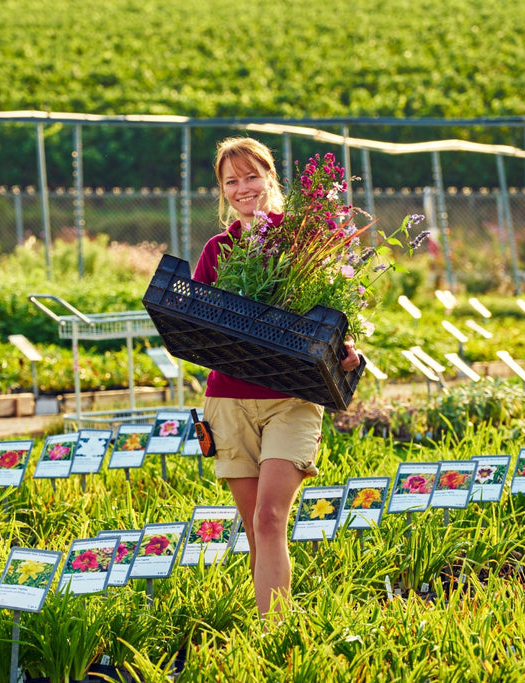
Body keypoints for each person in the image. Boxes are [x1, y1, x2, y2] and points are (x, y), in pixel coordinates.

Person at [192, 137, 361, 619]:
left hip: (291, 397)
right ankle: (269, 632)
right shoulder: (218, 250)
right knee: (253, 528)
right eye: (231, 181)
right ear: (223, 192)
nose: (243, 188)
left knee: (270, 518)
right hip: (228, 401)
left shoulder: (305, 240)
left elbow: (340, 314)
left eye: (251, 176)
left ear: (270, 178)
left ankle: (276, 633)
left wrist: (349, 349)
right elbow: (197, 325)